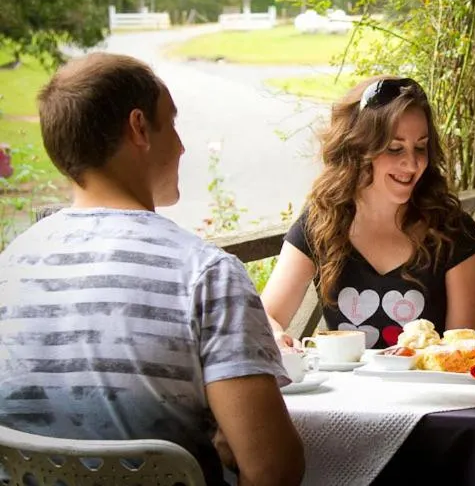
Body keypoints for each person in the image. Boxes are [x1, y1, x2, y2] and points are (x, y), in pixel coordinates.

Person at [0, 53, 305, 486]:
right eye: (173, 124)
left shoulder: (8, 270)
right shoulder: (207, 276)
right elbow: (274, 471)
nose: (181, 146)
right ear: (139, 127)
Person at [261, 76, 475, 350]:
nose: (412, 163)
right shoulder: (323, 220)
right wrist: (274, 336)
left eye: (420, 147)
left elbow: (463, 352)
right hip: (344, 391)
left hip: (431, 391)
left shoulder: (454, 231)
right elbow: (267, 316)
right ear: (358, 148)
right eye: (394, 148)